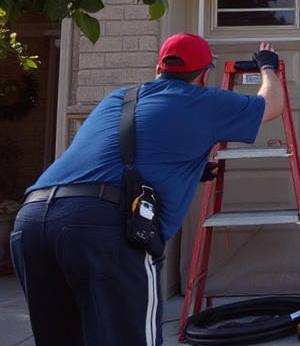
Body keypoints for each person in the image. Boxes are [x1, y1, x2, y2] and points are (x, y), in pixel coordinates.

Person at [10, 33, 285, 346]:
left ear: (158, 68)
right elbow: (271, 104)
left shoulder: (119, 98)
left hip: (32, 221)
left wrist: (189, 172)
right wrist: (268, 67)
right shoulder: (203, 100)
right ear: (205, 74)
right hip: (101, 227)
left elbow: (115, 158)